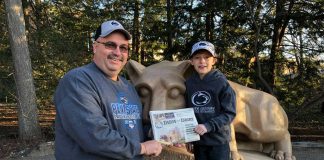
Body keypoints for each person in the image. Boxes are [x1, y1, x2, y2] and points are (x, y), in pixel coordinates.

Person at [54, 20, 162, 160]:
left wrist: (161, 133)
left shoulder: (128, 86)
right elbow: (94, 136)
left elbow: (135, 127)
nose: (117, 52)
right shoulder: (78, 81)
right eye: (110, 45)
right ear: (95, 47)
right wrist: (143, 148)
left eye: (123, 47)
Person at [184, 41, 236, 160]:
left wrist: (208, 126)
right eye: (197, 57)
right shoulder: (189, 83)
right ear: (191, 61)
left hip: (218, 142)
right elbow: (187, 111)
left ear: (214, 61)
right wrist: (188, 137)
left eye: (207, 57)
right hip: (199, 142)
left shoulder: (222, 83)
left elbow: (229, 113)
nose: (202, 61)